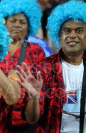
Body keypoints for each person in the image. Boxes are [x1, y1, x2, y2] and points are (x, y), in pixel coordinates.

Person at [15, 1, 86, 133]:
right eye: (67, 31)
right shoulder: (43, 69)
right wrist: (34, 98)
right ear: (59, 36)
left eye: (79, 30)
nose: (72, 35)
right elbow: (31, 119)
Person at [0, 0, 46, 132]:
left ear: (29, 26)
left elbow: (40, 88)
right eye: (13, 21)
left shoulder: (37, 51)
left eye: (22, 22)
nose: (17, 25)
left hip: (23, 122)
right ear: (4, 22)